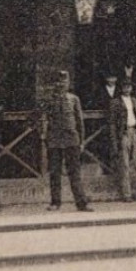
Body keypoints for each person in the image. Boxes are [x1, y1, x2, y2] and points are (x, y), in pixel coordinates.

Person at [44, 70, 92, 212]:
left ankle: (81, 202)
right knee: (55, 172)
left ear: (68, 83)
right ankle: (55, 202)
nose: (61, 84)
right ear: (55, 84)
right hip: (54, 140)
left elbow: (79, 121)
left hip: (72, 139)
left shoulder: (73, 99)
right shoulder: (49, 100)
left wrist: (82, 141)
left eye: (64, 81)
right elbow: (43, 119)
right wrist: (45, 135)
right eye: (59, 81)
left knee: (75, 172)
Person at [111, 78, 136, 202]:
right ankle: (126, 194)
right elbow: (112, 123)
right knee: (125, 164)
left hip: (134, 132)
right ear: (121, 88)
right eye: (124, 86)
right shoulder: (115, 102)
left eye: (129, 86)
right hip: (123, 133)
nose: (127, 89)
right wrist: (114, 140)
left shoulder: (134, 100)